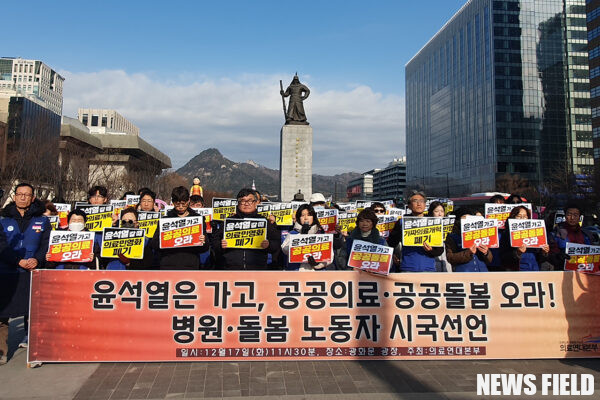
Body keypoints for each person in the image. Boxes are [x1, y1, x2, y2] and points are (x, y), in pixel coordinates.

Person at [0, 183, 51, 352]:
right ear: (14, 196)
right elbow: (1, 245)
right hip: (7, 272)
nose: (22, 197)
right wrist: (17, 260)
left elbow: (46, 244)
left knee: (33, 311)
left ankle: (34, 349)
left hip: (32, 272)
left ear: (33, 198)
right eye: (19, 194)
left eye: (27, 194)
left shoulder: (42, 220)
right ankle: (1, 351)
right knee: (2, 313)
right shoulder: (3, 219)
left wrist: (37, 259)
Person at [213, 188, 281, 270]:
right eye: (243, 201)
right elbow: (214, 243)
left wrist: (268, 245)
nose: (246, 204)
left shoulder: (264, 221)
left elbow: (276, 243)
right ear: (238, 203)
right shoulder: (228, 221)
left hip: (257, 267)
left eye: (250, 201)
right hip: (231, 268)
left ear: (256, 203)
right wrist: (221, 245)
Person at [150, 187, 208, 270]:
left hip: (190, 265)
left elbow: (205, 247)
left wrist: (203, 240)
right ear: (173, 202)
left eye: (183, 203)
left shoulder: (198, 219)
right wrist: (163, 240)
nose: (180, 207)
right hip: (168, 265)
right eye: (177, 204)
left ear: (188, 201)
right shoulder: (165, 220)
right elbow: (154, 244)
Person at [387, 191, 444, 272]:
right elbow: (391, 242)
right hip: (407, 267)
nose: (419, 204)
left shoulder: (434, 222)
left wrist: (431, 250)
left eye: (421, 201)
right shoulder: (402, 222)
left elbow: (440, 250)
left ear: (425, 205)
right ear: (409, 205)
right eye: (415, 201)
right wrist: (393, 255)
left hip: (429, 268)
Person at [281, 204, 343, 271]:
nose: (306, 218)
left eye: (309, 215)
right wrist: (302, 236)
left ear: (313, 217)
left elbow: (330, 256)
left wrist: (318, 264)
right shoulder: (293, 233)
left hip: (316, 275)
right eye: (302, 215)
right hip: (296, 272)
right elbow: (285, 249)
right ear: (298, 218)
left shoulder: (320, 233)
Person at [499, 206, 549, 271]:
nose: (522, 218)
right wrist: (517, 253)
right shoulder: (506, 234)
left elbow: (540, 258)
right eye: (519, 216)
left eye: (525, 216)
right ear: (513, 217)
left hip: (534, 269)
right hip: (516, 271)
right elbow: (503, 257)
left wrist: (544, 252)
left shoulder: (535, 233)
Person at [445, 207, 492, 272]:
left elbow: (489, 259)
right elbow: (450, 257)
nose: (467, 220)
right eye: (464, 218)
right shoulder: (452, 237)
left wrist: (486, 253)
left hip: (482, 271)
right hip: (464, 273)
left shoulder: (480, 234)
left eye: (469, 218)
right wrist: (468, 253)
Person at [428, 201, 450, 272]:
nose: (440, 214)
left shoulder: (449, 226)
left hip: (446, 261)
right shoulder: (427, 227)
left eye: (442, 211)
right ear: (431, 212)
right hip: (434, 261)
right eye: (436, 211)